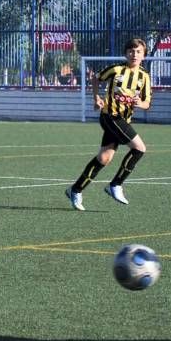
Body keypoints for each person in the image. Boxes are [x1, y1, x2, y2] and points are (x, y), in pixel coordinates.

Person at [65, 38, 152, 211]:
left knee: (104, 158)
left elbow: (147, 103)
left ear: (144, 55)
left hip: (124, 120)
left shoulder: (144, 77)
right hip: (110, 116)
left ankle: (75, 189)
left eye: (138, 52)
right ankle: (116, 185)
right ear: (125, 53)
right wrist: (96, 98)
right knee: (140, 148)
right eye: (131, 51)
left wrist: (138, 103)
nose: (134, 54)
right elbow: (96, 79)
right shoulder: (116, 69)